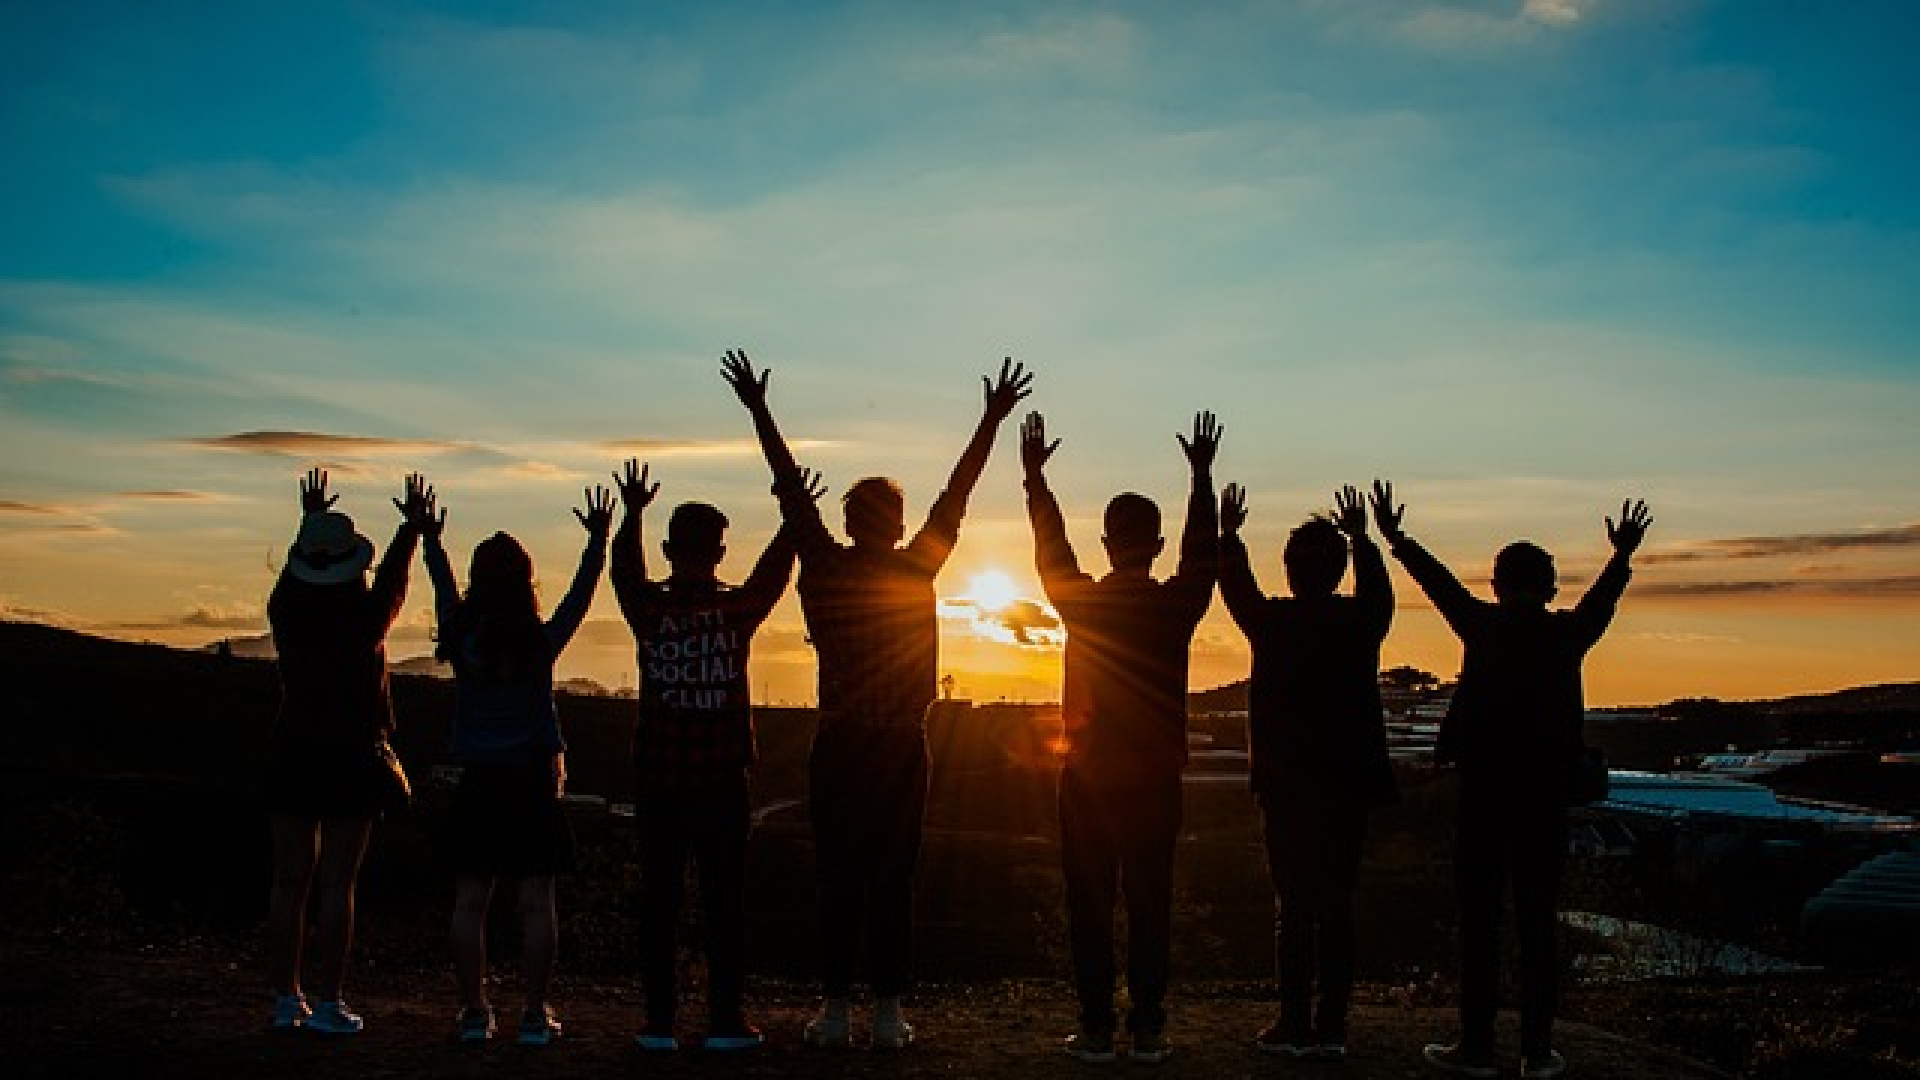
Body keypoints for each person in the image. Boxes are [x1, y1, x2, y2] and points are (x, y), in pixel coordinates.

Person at [724, 348, 1032, 1049]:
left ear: (849, 521)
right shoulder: (916, 568)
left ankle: (835, 1010)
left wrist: (759, 409)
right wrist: (990, 419)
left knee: (837, 878)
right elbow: (958, 493)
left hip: (840, 744)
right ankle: (889, 1013)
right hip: (899, 747)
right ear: (895, 524)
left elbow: (789, 489)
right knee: (894, 880)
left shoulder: (824, 567)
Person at [1382, 486, 1652, 1080]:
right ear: (1550, 587)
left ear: (1496, 584)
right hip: (1544, 799)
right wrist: (1621, 555)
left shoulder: (1482, 626)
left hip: (1483, 795)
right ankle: (1537, 1048)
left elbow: (1438, 584)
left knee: (1479, 923)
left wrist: (1397, 539)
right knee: (1538, 924)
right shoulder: (1566, 636)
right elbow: (1602, 601)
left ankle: (1476, 1045)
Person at [1021, 409, 1221, 1065]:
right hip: (1156, 777)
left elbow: (1051, 550)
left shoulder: (1082, 603)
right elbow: (1203, 558)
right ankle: (1149, 1029)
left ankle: (1097, 1029)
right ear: (1156, 545)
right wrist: (1201, 478)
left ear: (1106, 543)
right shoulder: (1175, 606)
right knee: (1149, 902)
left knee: (1090, 904)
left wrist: (1036, 481)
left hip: (1087, 776)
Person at [609, 458, 821, 1052]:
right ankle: (725, 1019)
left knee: (659, 903)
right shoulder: (735, 612)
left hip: (659, 778)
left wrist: (630, 514)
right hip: (723, 780)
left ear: (669, 549)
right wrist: (792, 516)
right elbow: (774, 573)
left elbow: (623, 572)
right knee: (725, 904)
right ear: (720, 552)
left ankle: (658, 1022)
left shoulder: (649, 611)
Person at [423, 482, 614, 1047]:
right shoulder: (539, 642)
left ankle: (474, 1012)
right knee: (536, 902)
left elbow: (441, 586)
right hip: (533, 782)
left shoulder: (461, 637)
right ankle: (533, 1013)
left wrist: (430, 539)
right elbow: (580, 597)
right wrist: (597, 543)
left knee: (470, 900)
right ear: (526, 584)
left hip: (479, 781)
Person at [1217, 482, 1397, 1060]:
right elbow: (1380, 595)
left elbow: (1235, 587)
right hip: (1347, 783)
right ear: (1339, 569)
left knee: (1292, 906)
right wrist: (1363, 540)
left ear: (1290, 569)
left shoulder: (1273, 623)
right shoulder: (1360, 622)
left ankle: (1293, 1023)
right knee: (1337, 904)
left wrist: (1229, 535)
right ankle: (1333, 1027)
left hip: (1287, 786)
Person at [264, 468, 430, 1034]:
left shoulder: (285, 610)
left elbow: (298, 577)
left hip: (293, 748)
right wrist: (411, 529)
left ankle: (285, 997)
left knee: (289, 881)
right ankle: (330, 1000)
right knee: (338, 882)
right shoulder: (366, 618)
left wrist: (309, 520)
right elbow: (395, 583)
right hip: (352, 755)